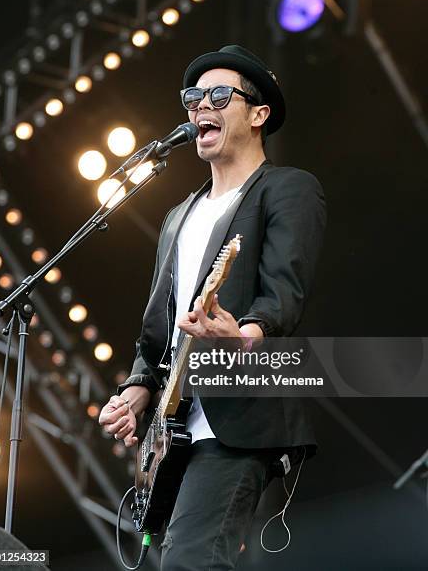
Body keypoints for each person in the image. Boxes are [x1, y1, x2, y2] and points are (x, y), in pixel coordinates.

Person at [99, 45, 326, 570]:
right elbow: (157, 331)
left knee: (194, 562)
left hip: (238, 415)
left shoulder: (287, 190)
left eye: (220, 95)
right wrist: (136, 391)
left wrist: (243, 337)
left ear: (257, 114)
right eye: (194, 97)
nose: (202, 105)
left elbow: (283, 294)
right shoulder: (178, 217)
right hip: (174, 429)